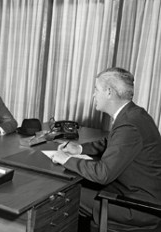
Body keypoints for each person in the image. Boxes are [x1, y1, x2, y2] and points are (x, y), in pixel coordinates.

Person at [52, 67, 161, 230]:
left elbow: (103, 174)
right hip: (138, 192)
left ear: (109, 92)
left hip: (137, 207)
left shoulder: (128, 125)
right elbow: (110, 141)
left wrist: (66, 159)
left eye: (96, 90)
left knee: (64, 195)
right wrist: (80, 149)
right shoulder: (134, 114)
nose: (94, 95)